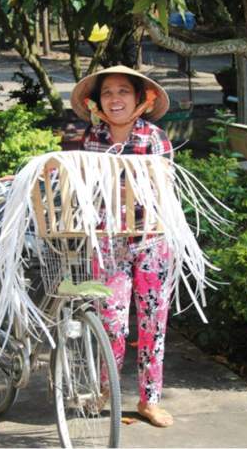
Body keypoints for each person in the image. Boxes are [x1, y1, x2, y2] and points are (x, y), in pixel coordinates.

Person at [70, 65, 174, 427]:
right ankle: (105, 390)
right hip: (108, 241)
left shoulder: (154, 137)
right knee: (112, 321)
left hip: (152, 240)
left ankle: (150, 400)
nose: (115, 99)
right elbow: (85, 183)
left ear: (141, 100)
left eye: (123, 92)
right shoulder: (93, 136)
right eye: (107, 93)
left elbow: (160, 190)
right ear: (97, 103)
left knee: (152, 321)